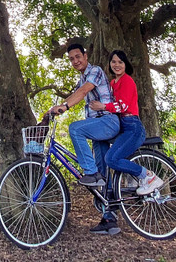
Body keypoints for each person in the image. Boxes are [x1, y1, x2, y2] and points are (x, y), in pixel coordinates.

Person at [49, 42, 121, 235]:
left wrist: (64, 107)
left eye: (78, 57)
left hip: (108, 121)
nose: (75, 61)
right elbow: (77, 92)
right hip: (99, 128)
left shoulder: (95, 71)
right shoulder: (82, 78)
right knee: (103, 172)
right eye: (71, 59)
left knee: (75, 129)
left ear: (85, 56)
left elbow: (81, 94)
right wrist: (50, 111)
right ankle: (109, 219)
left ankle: (90, 172)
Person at [88, 50, 164, 198]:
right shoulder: (112, 83)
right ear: (109, 64)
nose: (116, 65)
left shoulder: (127, 81)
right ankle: (106, 194)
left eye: (120, 62)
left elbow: (121, 106)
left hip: (132, 126)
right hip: (120, 126)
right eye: (113, 62)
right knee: (101, 147)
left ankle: (148, 176)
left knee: (111, 159)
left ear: (125, 64)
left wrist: (102, 107)